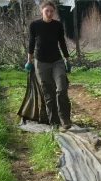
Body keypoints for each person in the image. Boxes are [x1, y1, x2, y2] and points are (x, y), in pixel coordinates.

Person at [26, 0, 72, 130]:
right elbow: (31, 43)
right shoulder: (35, 25)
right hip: (41, 63)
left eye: (52, 11)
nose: (50, 13)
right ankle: (54, 122)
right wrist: (29, 61)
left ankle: (65, 119)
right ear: (42, 11)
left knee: (62, 88)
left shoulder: (57, 25)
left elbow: (62, 42)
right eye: (47, 11)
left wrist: (67, 60)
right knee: (48, 94)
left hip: (57, 61)